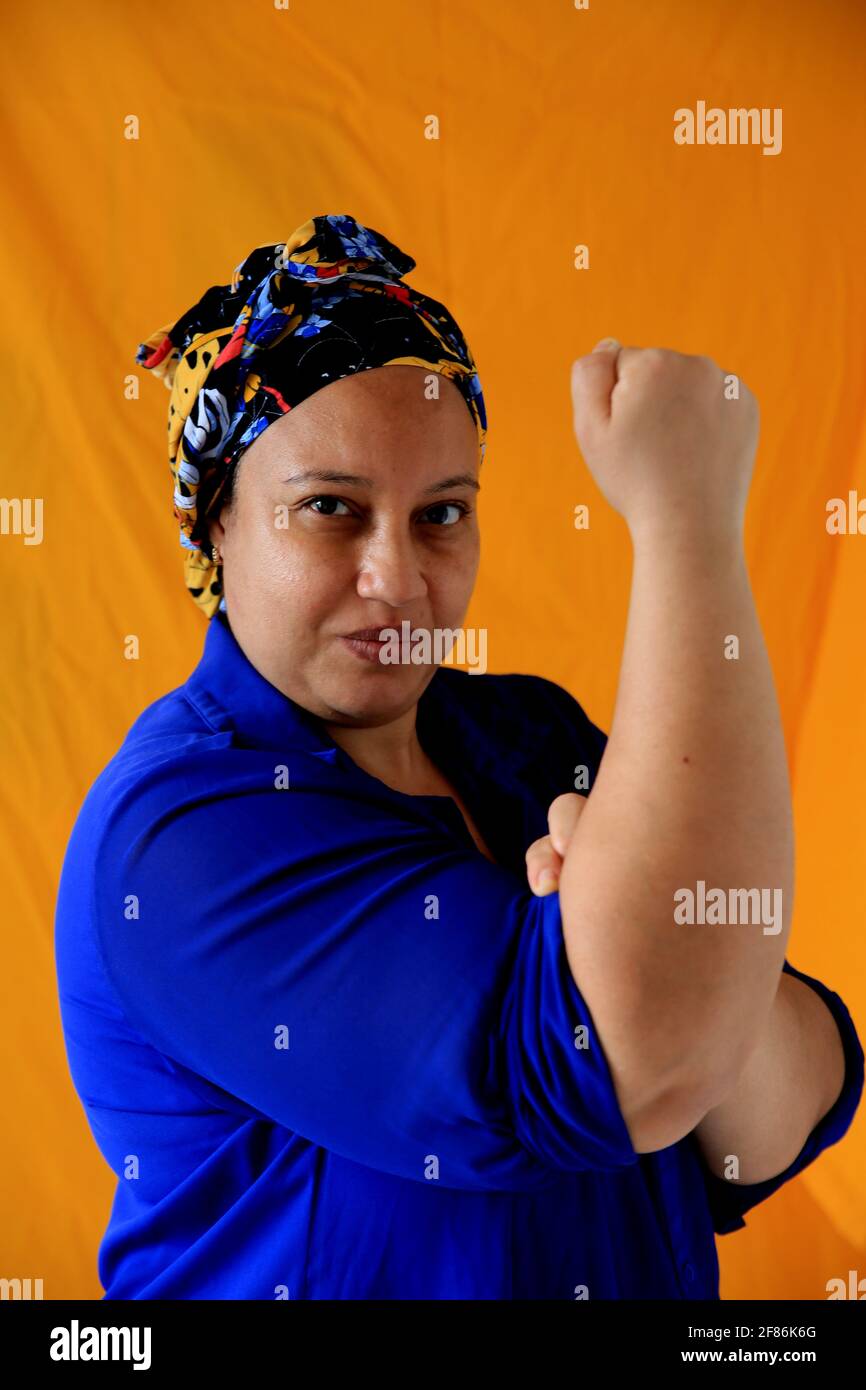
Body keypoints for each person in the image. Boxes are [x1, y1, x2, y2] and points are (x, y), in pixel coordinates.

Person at [54, 213, 863, 1300]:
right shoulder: (181, 837)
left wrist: (667, 966)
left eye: (442, 513)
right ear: (214, 530)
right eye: (329, 509)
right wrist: (684, 522)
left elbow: (761, 1124)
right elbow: (641, 1071)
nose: (398, 578)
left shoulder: (525, 737)